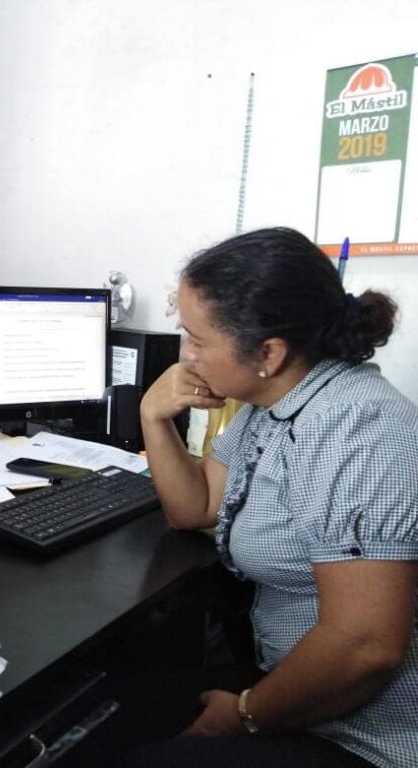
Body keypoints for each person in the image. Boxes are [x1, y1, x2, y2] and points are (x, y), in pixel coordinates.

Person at [127, 227, 417, 767]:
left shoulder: (357, 431)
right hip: (290, 681)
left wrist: (242, 714)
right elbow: (196, 506)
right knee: (126, 705)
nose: (185, 355)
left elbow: (366, 645)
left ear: (269, 352)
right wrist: (153, 415)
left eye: (196, 339)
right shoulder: (275, 403)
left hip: (367, 733)